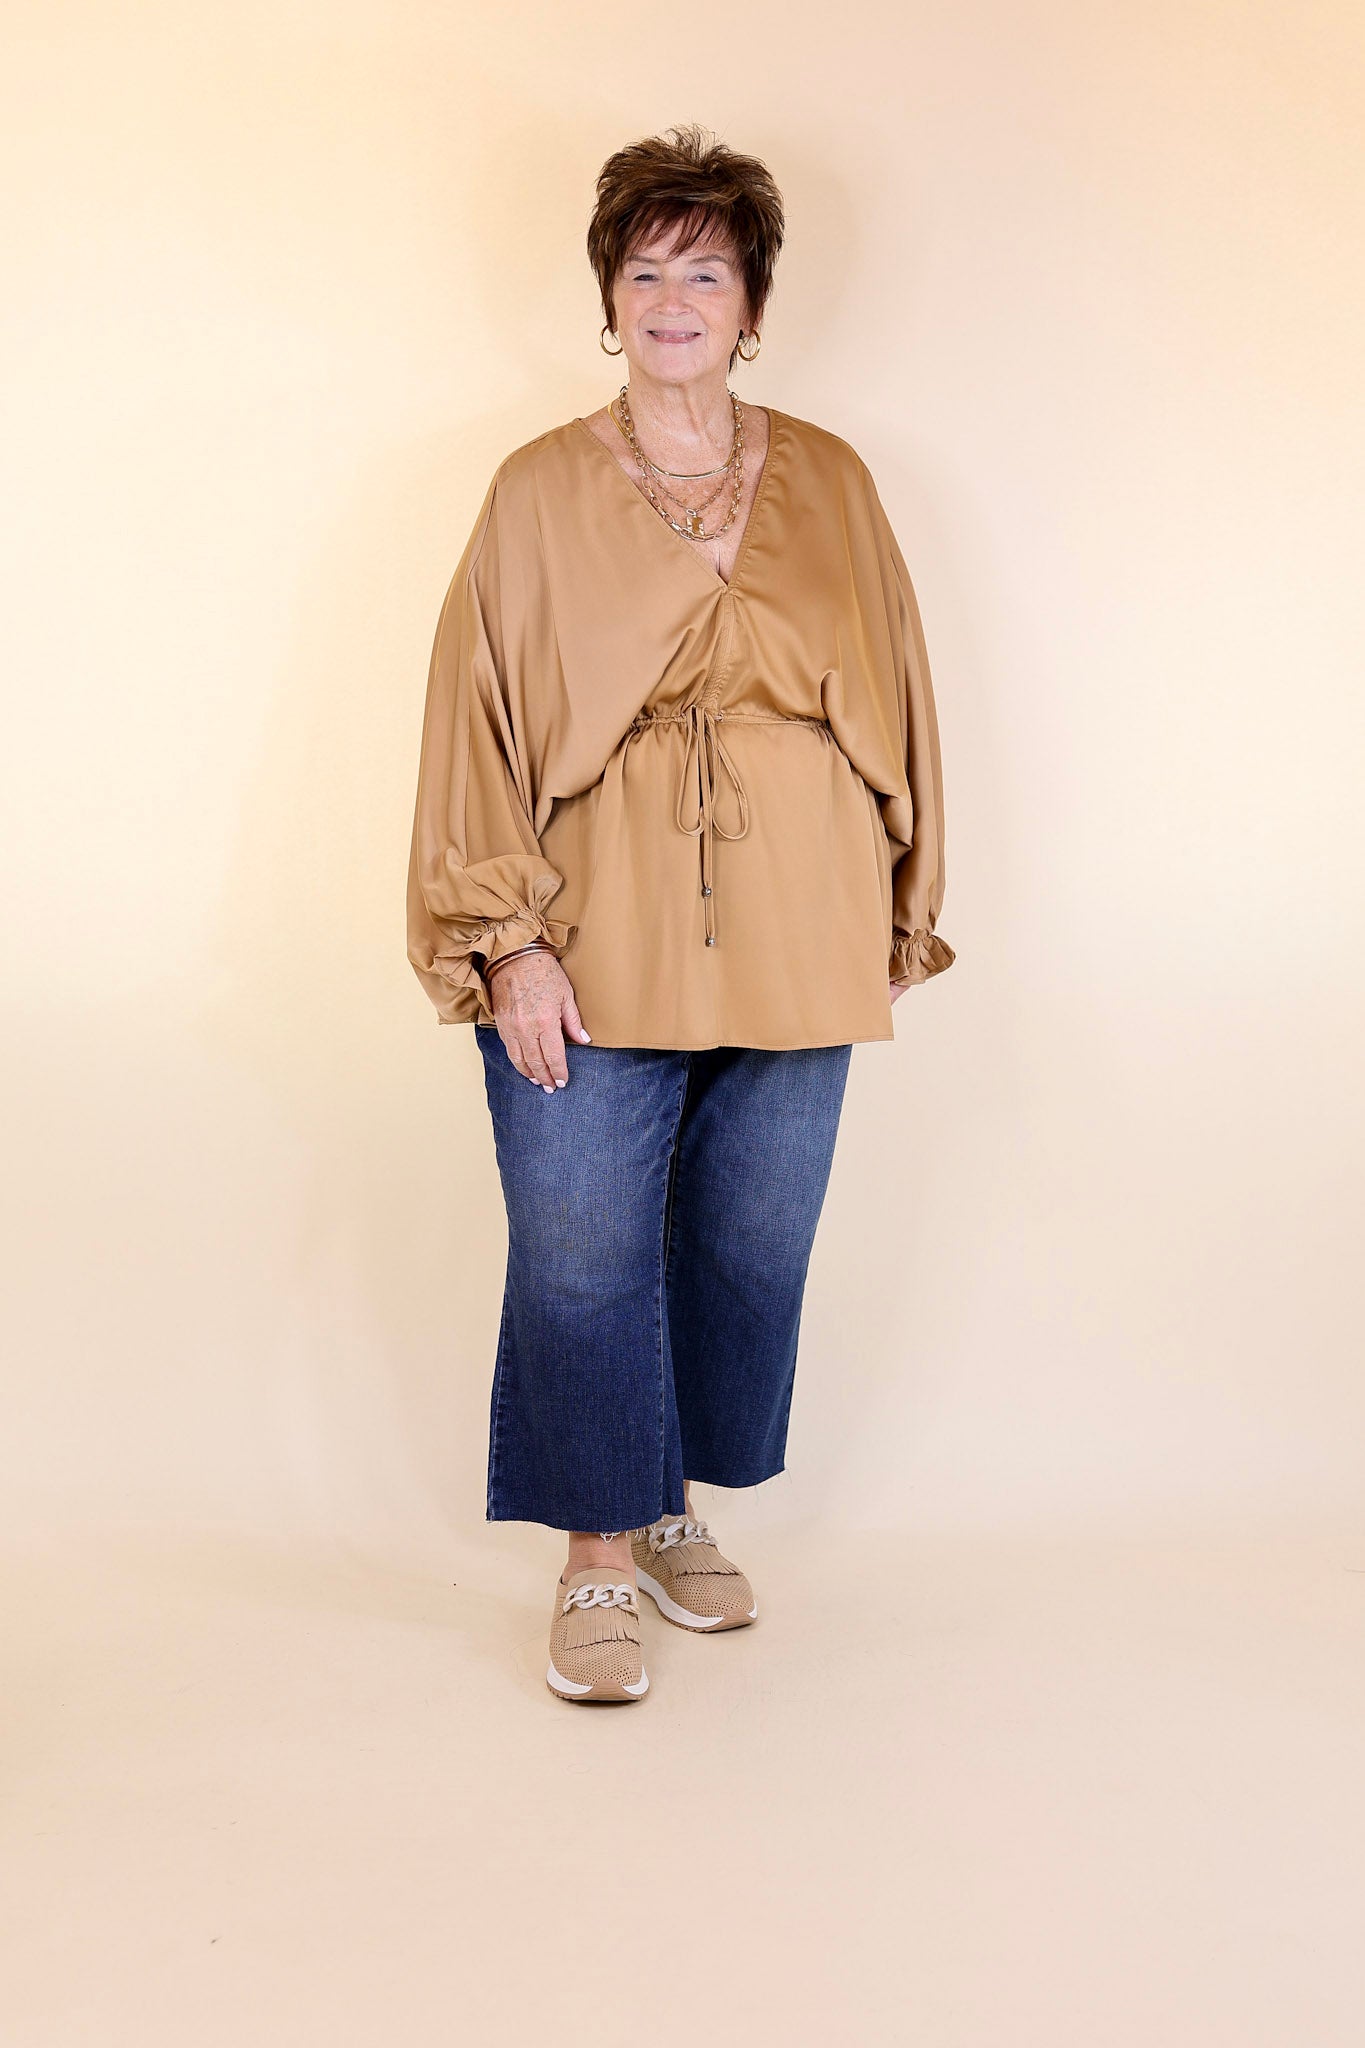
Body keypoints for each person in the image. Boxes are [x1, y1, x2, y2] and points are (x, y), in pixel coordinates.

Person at [406, 122, 955, 1704]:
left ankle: (662, 1507)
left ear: (750, 306)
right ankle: (592, 1554)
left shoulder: (832, 481)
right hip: (594, 917)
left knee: (748, 1242)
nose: (671, 301)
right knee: (581, 1242)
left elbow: (901, 694)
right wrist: (506, 939)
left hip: (802, 914)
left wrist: (897, 910)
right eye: (643, 272)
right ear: (607, 300)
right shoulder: (534, 491)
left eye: (703, 274)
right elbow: (473, 715)